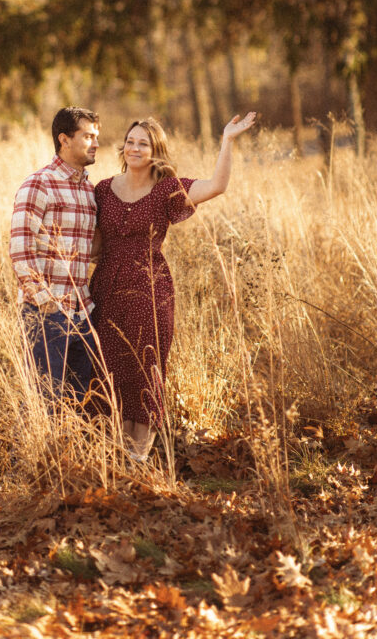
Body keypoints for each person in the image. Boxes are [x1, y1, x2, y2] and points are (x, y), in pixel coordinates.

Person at [90, 112, 256, 460]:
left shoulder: (167, 189)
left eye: (143, 143)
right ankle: (118, 459)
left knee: (146, 372)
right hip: (105, 289)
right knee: (110, 370)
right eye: (130, 141)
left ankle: (138, 460)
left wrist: (227, 140)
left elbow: (216, 186)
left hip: (150, 291)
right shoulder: (103, 189)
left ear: (155, 151)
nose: (134, 148)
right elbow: (93, 245)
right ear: (123, 146)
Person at [10, 107, 100, 409]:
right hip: (47, 312)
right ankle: (30, 458)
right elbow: (21, 249)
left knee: (76, 407)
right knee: (41, 404)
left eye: (97, 136)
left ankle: (66, 458)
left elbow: (90, 250)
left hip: (82, 314)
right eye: (88, 136)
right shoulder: (39, 183)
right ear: (64, 139)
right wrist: (45, 301)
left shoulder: (89, 189)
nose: (96, 143)